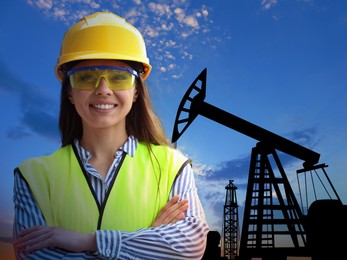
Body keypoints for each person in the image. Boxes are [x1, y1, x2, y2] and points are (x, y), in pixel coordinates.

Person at [12, 11, 209, 259]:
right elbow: (34, 256)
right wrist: (149, 238)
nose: (103, 90)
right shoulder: (32, 177)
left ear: (136, 91)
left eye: (118, 77)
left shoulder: (172, 166)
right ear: (69, 93)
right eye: (86, 77)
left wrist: (87, 241)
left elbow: (189, 246)